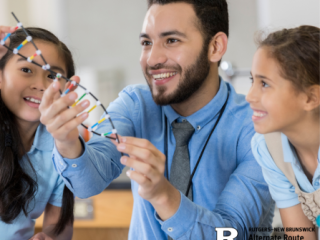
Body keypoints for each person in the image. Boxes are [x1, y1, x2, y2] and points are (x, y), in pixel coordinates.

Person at [39, 0, 274, 239]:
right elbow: (86, 184)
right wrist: (67, 142)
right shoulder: (134, 105)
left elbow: (231, 233)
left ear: (215, 47)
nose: (152, 59)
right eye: (146, 43)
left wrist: (163, 195)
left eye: (171, 40)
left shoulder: (259, 128)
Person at [0, 26, 76, 240]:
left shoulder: (62, 146)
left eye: (53, 75)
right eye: (26, 70)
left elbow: (59, 227)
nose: (41, 86)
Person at [247, 25, 320, 240]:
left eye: (265, 84)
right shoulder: (269, 148)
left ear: (310, 98)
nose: (250, 96)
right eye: (253, 81)